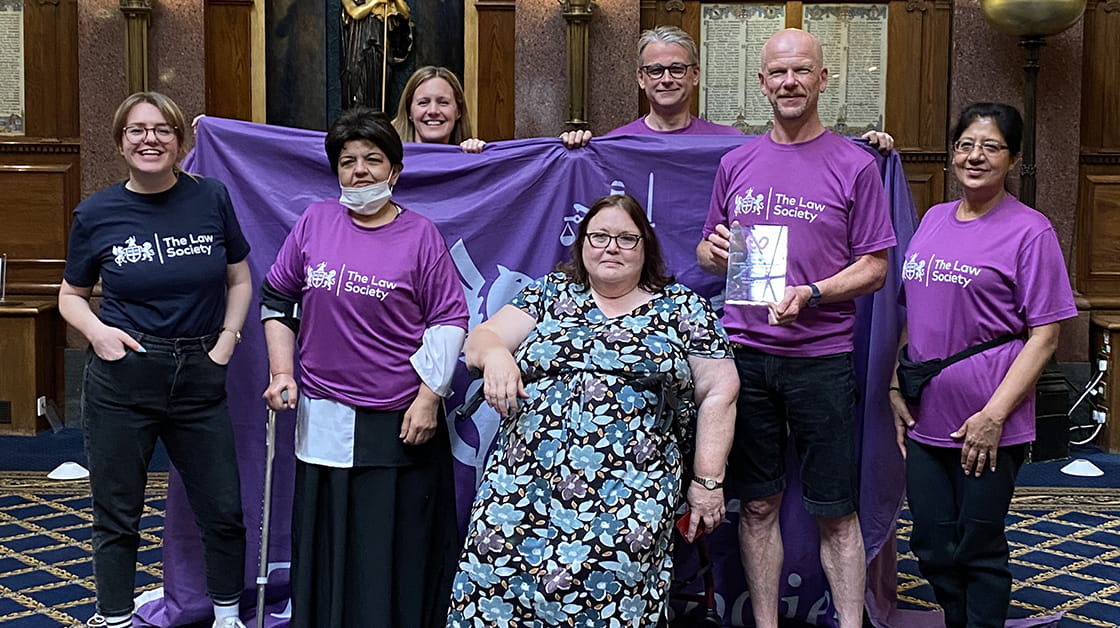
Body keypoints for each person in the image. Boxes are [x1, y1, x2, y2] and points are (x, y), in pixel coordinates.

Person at [448, 194, 738, 627]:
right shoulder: (549, 294)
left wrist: (707, 482)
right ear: (582, 244)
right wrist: (497, 358)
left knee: (613, 591)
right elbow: (479, 341)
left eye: (626, 238)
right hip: (523, 485)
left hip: (632, 491)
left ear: (646, 247)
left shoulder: (682, 307)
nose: (611, 247)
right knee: (494, 583)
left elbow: (720, 389)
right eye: (599, 236)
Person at [696, 29, 896, 628]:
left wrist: (813, 293)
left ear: (822, 80)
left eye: (801, 71)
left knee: (835, 510)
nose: (789, 83)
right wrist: (716, 252)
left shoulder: (855, 164)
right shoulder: (736, 162)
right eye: (778, 73)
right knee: (757, 505)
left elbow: (877, 267)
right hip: (746, 359)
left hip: (822, 357)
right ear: (762, 83)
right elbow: (709, 252)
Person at [260, 107, 468, 628]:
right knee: (328, 540)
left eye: (373, 160)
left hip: (399, 418)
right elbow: (277, 298)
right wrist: (282, 373)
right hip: (324, 413)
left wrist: (427, 399)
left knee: (387, 545)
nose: (359, 171)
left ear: (395, 171)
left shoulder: (421, 235)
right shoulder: (314, 222)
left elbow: (448, 321)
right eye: (348, 161)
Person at [59, 92, 250, 628]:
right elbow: (70, 295)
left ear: (179, 141)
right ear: (120, 141)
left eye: (163, 129)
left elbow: (239, 276)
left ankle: (229, 616)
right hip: (124, 376)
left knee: (224, 511)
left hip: (200, 373)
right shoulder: (95, 213)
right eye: (138, 130)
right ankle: (115, 617)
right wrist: (99, 336)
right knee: (116, 514)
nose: (150, 139)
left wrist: (228, 340)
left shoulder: (211, 197)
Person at [890, 103, 1076, 628]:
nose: (975, 156)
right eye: (966, 144)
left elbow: (1045, 336)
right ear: (952, 154)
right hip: (927, 416)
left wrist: (994, 416)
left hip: (990, 423)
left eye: (991, 147)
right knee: (931, 541)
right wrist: (892, 382)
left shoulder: (1030, 232)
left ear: (1013, 159)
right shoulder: (932, 220)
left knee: (978, 544)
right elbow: (912, 310)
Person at [559, 25, 894, 153]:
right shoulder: (616, 145)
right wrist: (575, 149)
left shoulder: (729, 142)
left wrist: (869, 146)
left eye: (677, 68)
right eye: (655, 70)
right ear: (640, 78)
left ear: (695, 75)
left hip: (713, 286)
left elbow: (790, 152)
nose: (666, 79)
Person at [392, 66, 486, 153]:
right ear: (409, 112)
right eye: (423, 103)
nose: (433, 111)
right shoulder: (389, 160)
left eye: (443, 103)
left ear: (458, 111)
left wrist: (478, 156)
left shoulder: (471, 158)